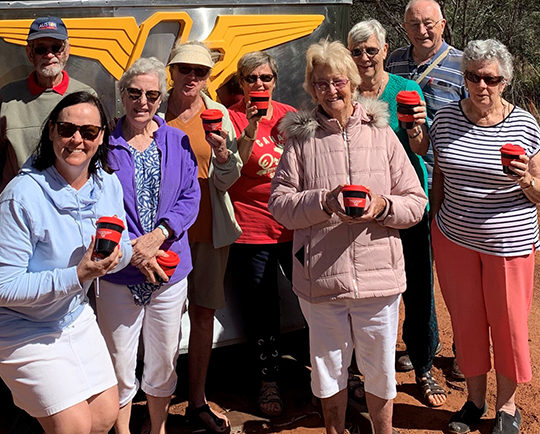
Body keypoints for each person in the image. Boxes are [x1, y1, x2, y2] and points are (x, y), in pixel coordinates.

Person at [269, 39, 427, 434]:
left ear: (353, 82)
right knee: (328, 370)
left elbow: (416, 201)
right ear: (311, 88)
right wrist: (324, 202)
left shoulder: (384, 135)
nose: (331, 91)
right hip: (321, 278)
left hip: (378, 278)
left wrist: (381, 208)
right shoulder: (300, 141)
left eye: (338, 81)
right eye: (321, 83)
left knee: (379, 369)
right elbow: (280, 205)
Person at [0, 91, 131, 434]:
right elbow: (1, 287)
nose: (77, 139)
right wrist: (78, 275)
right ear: (51, 132)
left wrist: (115, 258)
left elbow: (125, 245)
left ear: (101, 136)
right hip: (15, 324)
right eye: (67, 129)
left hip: (70, 315)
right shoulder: (21, 196)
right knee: (71, 425)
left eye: (89, 132)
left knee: (104, 416)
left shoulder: (108, 186)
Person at [430, 39, 540, 434]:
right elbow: (441, 179)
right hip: (455, 240)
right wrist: (435, 225)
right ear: (464, 77)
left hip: (508, 245)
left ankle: (508, 407)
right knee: (466, 321)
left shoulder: (524, 125)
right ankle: (475, 402)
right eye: (473, 76)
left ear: (505, 82)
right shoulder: (445, 119)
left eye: (491, 79)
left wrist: (526, 179)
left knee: (509, 324)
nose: (482, 86)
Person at [97, 57, 200, 434]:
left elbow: (190, 196)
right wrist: (130, 250)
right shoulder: (104, 143)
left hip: (169, 269)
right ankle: (121, 430)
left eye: (152, 94)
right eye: (135, 92)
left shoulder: (176, 139)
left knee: (162, 359)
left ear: (161, 98)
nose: (143, 101)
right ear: (122, 95)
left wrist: (159, 235)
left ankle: (156, 428)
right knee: (119, 359)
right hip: (119, 270)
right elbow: (93, 205)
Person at [348, 20, 446, 407]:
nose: (365, 58)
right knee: (365, 288)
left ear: (386, 50)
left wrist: (419, 127)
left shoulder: (406, 90)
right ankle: (359, 370)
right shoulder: (344, 91)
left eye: (371, 50)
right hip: (361, 206)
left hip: (405, 200)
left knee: (418, 284)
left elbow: (421, 148)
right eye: (357, 52)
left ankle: (423, 364)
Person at [386, 0, 466, 379]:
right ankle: (422, 344)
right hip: (407, 180)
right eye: (415, 24)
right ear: (405, 29)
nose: (423, 30)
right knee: (416, 268)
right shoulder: (394, 62)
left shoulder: (464, 65)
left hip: (450, 181)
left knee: (455, 270)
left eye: (430, 23)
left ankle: (465, 349)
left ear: (443, 23)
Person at [163, 41, 241, 434]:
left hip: (209, 226)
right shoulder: (154, 111)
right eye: (184, 70)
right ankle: (157, 402)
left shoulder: (218, 113)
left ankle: (196, 400)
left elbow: (231, 178)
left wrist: (225, 156)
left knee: (202, 313)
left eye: (201, 71)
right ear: (171, 71)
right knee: (161, 317)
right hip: (165, 232)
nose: (192, 77)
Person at [226, 50, 297, 417]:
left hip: (293, 227)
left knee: (314, 300)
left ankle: (340, 374)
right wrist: (252, 129)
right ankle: (269, 380)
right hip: (252, 229)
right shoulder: (233, 118)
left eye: (265, 78)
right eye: (251, 79)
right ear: (241, 82)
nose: (259, 85)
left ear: (274, 80)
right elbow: (232, 169)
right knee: (263, 309)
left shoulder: (289, 116)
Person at [0, 16, 96, 217]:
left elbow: (95, 160)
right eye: (41, 49)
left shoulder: (85, 96)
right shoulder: (8, 97)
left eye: (56, 47)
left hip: (70, 210)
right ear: (30, 53)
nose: (49, 54)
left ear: (67, 51)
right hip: (18, 209)